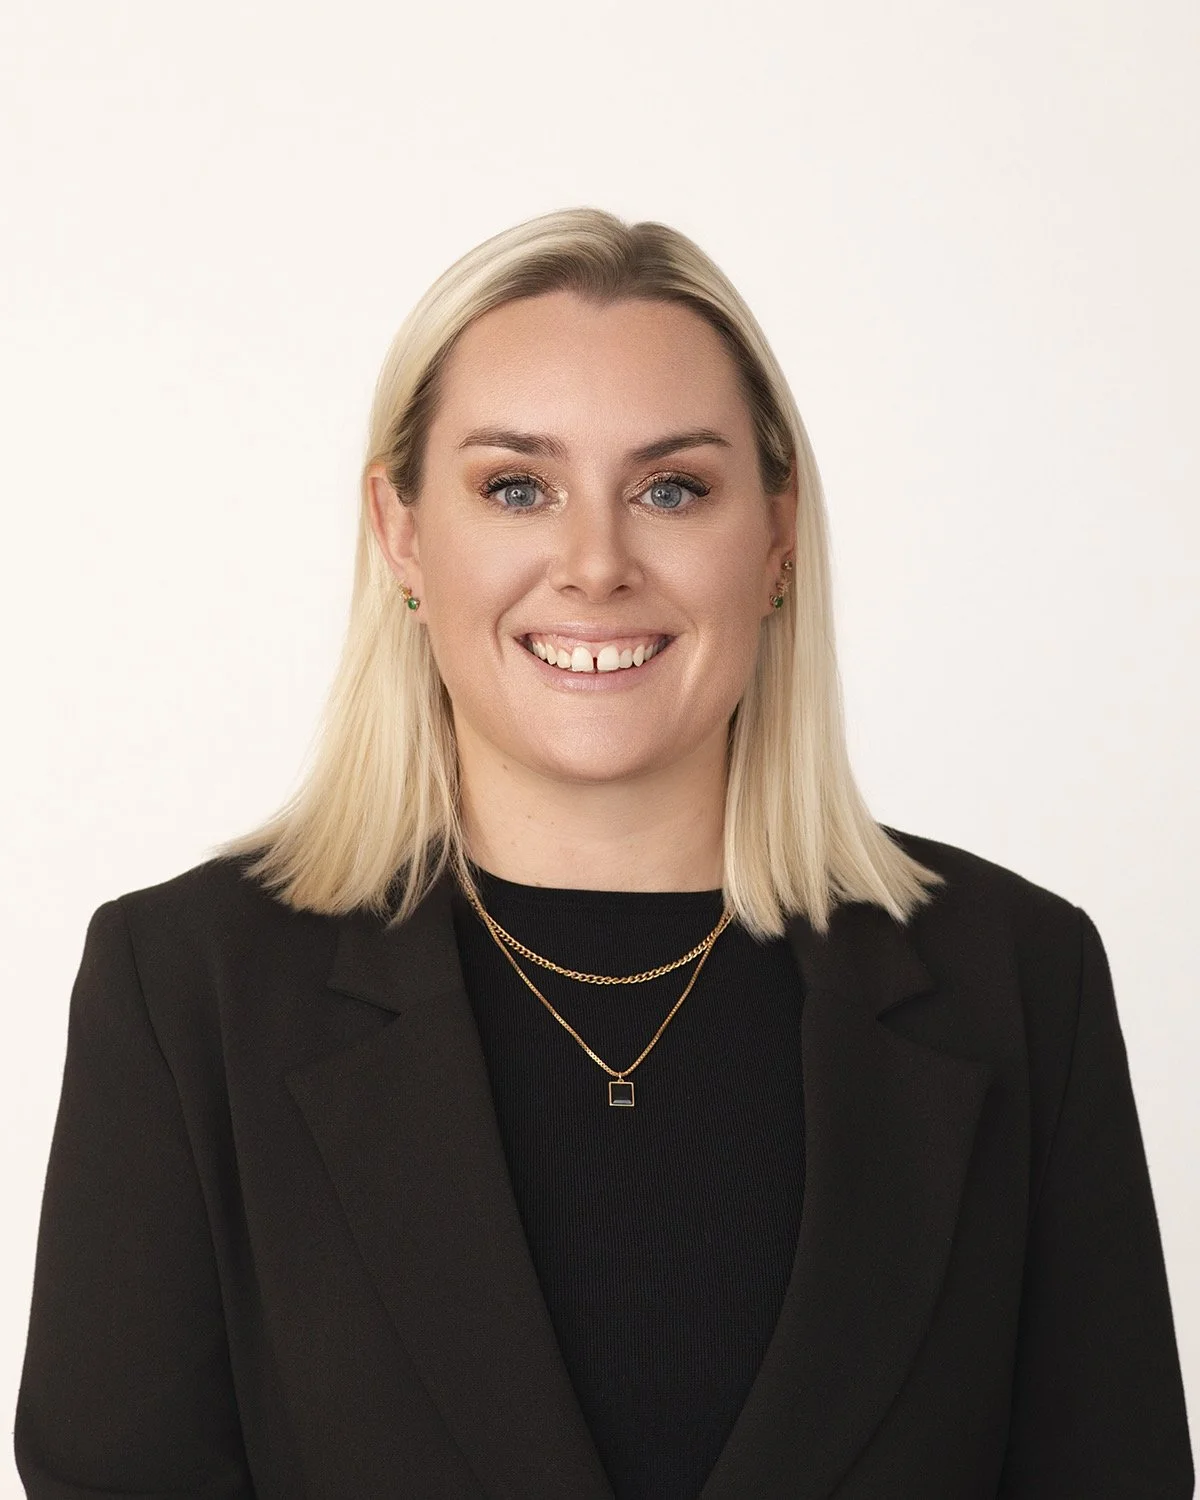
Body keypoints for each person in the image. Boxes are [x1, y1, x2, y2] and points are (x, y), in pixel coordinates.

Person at [14, 207, 1193, 1499]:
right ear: (401, 533)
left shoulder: (1018, 978)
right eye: (517, 486)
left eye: (671, 488)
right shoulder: (187, 986)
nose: (595, 565)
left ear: (777, 537)